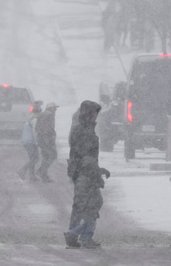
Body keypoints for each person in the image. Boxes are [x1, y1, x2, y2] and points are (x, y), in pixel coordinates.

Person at [65, 100, 103, 248]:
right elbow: (86, 156)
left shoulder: (84, 128)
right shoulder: (83, 130)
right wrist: (97, 172)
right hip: (86, 173)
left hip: (83, 171)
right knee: (93, 205)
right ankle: (80, 236)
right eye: (94, 113)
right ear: (88, 114)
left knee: (81, 206)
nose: (95, 116)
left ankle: (75, 235)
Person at [65, 155, 110, 249]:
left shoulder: (87, 175)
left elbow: (97, 177)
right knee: (91, 222)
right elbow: (83, 194)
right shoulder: (85, 179)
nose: (94, 170)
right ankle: (84, 239)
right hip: (88, 205)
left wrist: (103, 172)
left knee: (90, 222)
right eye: (92, 168)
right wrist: (85, 205)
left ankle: (73, 234)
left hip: (90, 204)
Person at [18, 100, 43, 181]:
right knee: (35, 159)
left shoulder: (30, 118)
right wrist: (37, 142)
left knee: (33, 158)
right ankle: (23, 170)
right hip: (31, 142)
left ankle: (32, 176)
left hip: (27, 141)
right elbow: (35, 132)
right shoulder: (35, 119)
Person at [35, 102, 59, 182]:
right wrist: (48, 140)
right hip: (47, 139)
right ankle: (42, 172)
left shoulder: (42, 114)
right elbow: (48, 128)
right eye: (54, 108)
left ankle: (43, 175)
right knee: (52, 155)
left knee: (46, 156)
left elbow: (37, 127)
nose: (55, 110)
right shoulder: (49, 115)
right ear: (50, 108)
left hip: (41, 139)